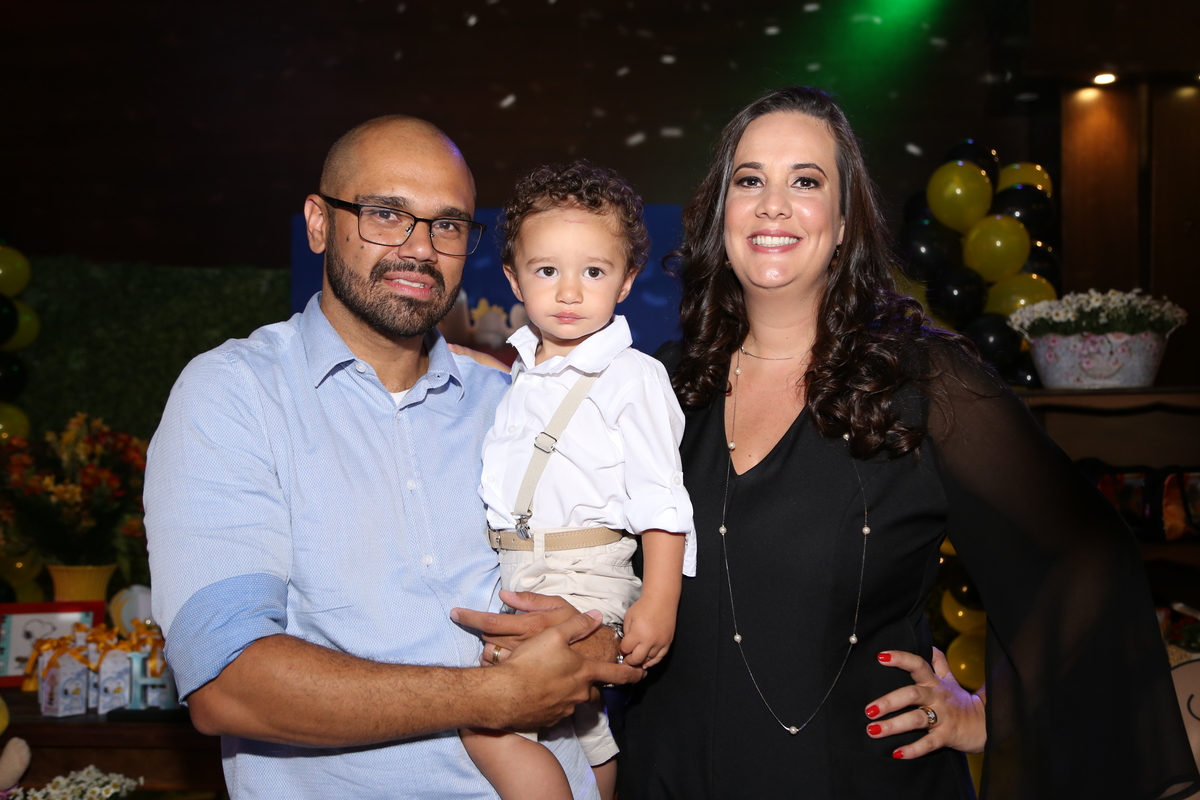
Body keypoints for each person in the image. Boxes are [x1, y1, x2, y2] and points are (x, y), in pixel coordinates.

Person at [604, 87, 1199, 798]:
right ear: (720, 212)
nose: (773, 205)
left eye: (806, 182)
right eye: (750, 180)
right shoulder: (660, 383)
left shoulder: (924, 381)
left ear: (844, 222)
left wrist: (993, 715)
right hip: (668, 775)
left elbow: (1086, 555)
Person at [144, 115, 641, 799]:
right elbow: (227, 684)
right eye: (386, 214)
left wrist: (592, 635)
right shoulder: (236, 395)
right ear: (319, 223)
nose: (421, 248)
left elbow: (610, 582)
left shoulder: (513, 403)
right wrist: (493, 696)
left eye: (448, 225)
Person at [459, 162, 694, 800]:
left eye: (593, 271)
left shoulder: (633, 377)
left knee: (487, 718)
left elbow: (661, 498)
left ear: (626, 281)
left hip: (584, 572)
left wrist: (660, 601)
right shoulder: (520, 375)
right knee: (582, 730)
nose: (569, 292)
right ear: (514, 278)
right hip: (518, 570)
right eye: (546, 271)